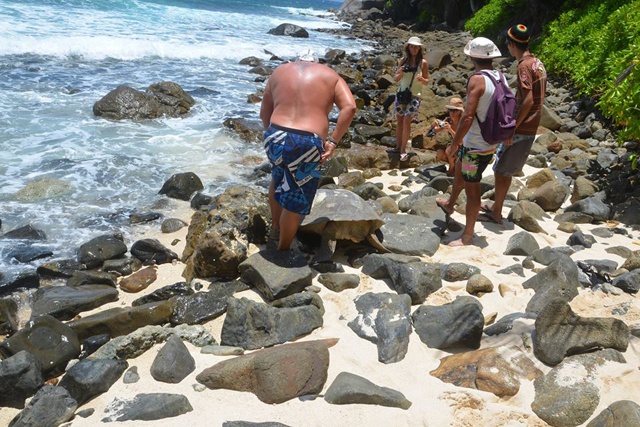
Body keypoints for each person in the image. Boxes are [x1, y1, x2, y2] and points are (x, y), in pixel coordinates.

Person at [260, 49, 357, 251]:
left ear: (296, 61)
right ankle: (283, 249)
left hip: (275, 134)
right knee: (296, 195)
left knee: (277, 179)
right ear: (317, 63)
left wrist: (272, 136)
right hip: (306, 140)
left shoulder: (279, 72)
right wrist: (332, 141)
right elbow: (350, 108)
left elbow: (264, 112)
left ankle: (275, 229)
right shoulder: (330, 75)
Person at [435, 37, 503, 246]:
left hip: (475, 145)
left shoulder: (477, 79)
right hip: (488, 141)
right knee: (460, 173)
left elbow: (467, 116)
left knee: (473, 191)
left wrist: (455, 142)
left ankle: (467, 236)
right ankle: (450, 203)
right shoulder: (499, 77)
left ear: (473, 56)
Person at [481, 24, 547, 224]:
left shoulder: (523, 66)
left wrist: (513, 127)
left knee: (501, 170)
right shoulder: (538, 62)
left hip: (522, 127)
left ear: (511, 44)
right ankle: (497, 207)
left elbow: (527, 99)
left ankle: (496, 211)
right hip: (532, 124)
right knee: (506, 169)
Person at [389, 36, 430, 162]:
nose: (414, 49)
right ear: (408, 48)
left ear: (419, 48)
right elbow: (396, 79)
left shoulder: (423, 63)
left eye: (416, 47)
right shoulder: (403, 60)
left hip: (415, 95)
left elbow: (427, 81)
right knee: (400, 120)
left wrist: (422, 79)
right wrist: (401, 71)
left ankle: (403, 149)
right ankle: (398, 146)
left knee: (407, 120)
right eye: (412, 46)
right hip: (402, 94)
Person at [429, 96, 464, 175]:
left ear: (460, 112)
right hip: (455, 147)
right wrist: (434, 126)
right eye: (450, 110)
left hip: (465, 148)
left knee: (450, 150)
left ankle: (452, 168)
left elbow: (461, 141)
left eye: (455, 110)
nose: (452, 113)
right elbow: (431, 133)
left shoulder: (464, 122)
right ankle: (454, 166)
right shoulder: (448, 120)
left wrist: (450, 130)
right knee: (440, 153)